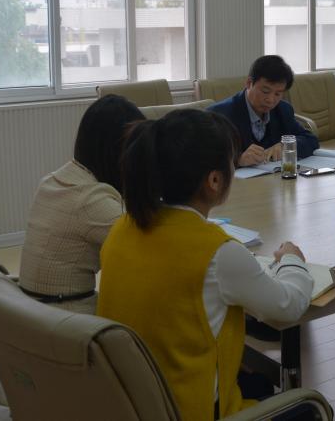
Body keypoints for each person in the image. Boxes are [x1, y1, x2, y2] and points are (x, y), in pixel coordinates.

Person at [97, 109, 312, 420]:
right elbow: (289, 306)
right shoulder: (217, 252)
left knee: (256, 382)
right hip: (188, 410)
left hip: (131, 405)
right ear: (214, 180)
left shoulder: (123, 227)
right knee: (311, 408)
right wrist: (291, 259)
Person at [18, 95, 144, 314]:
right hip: (65, 317)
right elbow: (149, 249)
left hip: (32, 311)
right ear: (119, 149)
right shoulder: (92, 201)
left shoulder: (53, 180)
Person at [209, 55, 319, 165]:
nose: (270, 100)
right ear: (249, 83)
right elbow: (204, 157)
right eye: (265, 91)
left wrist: (286, 146)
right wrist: (237, 159)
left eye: (277, 94)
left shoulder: (283, 110)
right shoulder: (219, 114)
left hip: (273, 175)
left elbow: (311, 140)